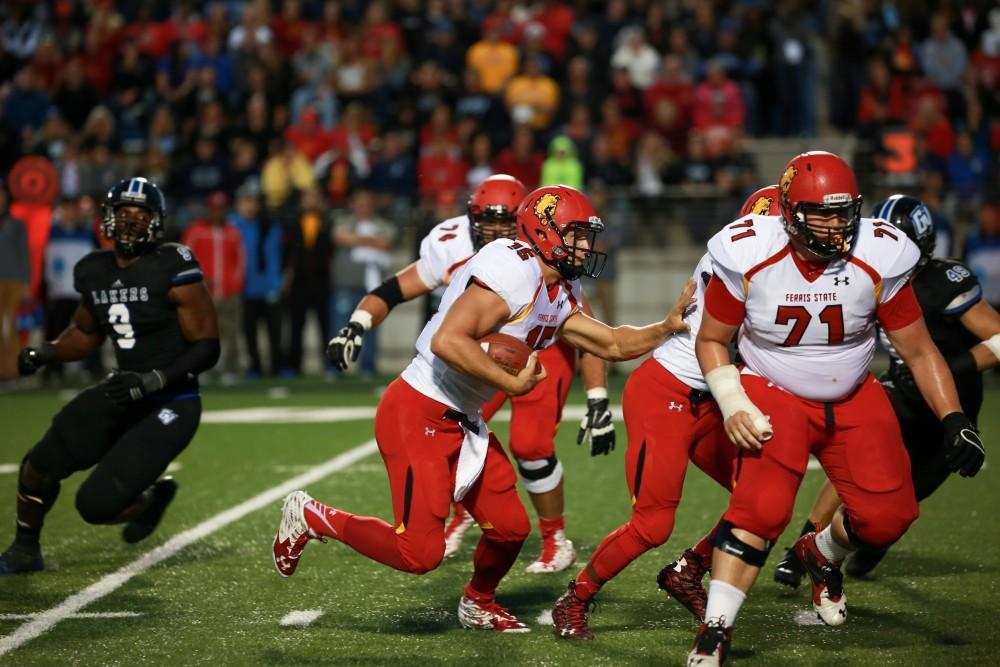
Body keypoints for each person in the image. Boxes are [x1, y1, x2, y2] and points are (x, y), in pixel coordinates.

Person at [274, 184, 694, 631]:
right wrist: (509, 381)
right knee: (420, 554)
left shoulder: (560, 288)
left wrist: (665, 328)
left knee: (511, 528)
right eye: (577, 234)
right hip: (419, 409)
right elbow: (448, 340)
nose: (586, 246)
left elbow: (609, 342)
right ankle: (314, 516)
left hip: (462, 418)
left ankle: (477, 600)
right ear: (545, 231)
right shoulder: (512, 270)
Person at [683, 152, 983, 665]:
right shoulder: (750, 251)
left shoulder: (881, 252)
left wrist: (954, 419)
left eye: (844, 212)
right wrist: (732, 400)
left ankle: (819, 553)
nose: (835, 224)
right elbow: (712, 340)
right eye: (820, 212)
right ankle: (715, 630)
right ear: (786, 211)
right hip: (773, 386)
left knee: (889, 518)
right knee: (762, 508)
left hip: (854, 392)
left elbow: (918, 349)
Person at [327, 175, 613, 573]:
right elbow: (396, 289)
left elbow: (594, 331)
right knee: (461, 425)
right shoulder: (452, 244)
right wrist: (356, 323)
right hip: (484, 352)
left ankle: (554, 538)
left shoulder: (549, 256)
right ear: (471, 218)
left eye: (506, 221)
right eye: (486, 220)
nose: (496, 230)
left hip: (540, 347)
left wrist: (597, 394)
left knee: (531, 444)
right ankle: (463, 514)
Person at [549, 186, 782, 640]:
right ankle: (574, 599)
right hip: (667, 394)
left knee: (765, 503)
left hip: (715, 399)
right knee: (653, 525)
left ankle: (689, 568)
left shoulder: (770, 263)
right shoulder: (739, 261)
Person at [772, 194, 999, 585]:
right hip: (898, 394)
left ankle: (860, 545)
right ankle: (801, 546)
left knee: (903, 501)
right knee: (855, 463)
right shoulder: (860, 271)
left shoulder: (943, 282)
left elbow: (998, 338)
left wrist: (955, 365)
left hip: (947, 402)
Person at [0, 177, 219, 574]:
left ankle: (152, 499)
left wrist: (154, 379)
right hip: (122, 390)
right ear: (109, 217)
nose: (132, 222)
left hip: (171, 402)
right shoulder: (94, 269)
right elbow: (85, 333)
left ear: (156, 221)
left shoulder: (173, 264)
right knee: (39, 463)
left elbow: (207, 346)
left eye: (141, 214)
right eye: (124, 213)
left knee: (95, 506)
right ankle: (24, 549)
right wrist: (47, 351)